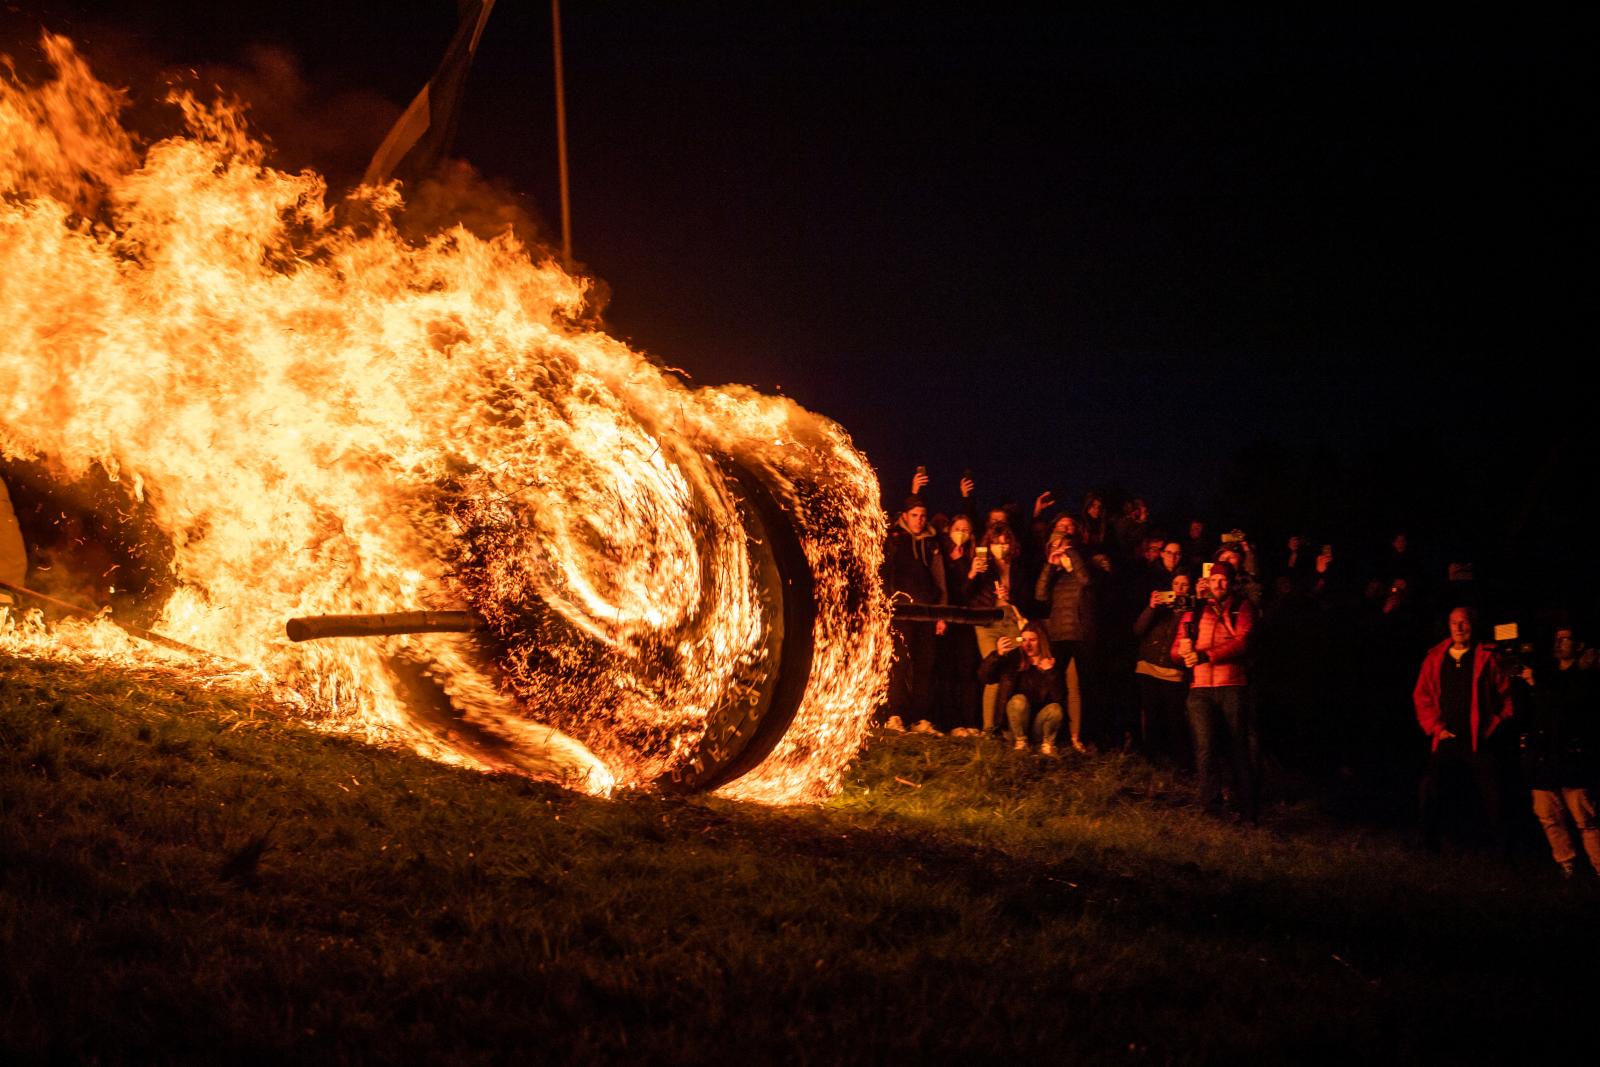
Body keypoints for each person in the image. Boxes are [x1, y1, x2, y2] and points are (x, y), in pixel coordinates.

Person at [1412, 606, 1513, 853]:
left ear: (1472, 625)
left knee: (1493, 796)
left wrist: (1493, 725)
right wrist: (1436, 728)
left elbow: (1508, 696)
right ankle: (1429, 844)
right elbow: (1422, 695)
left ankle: (1503, 849)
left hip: (1479, 740)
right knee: (1431, 789)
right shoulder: (1435, 658)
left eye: (1464, 622)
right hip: (1447, 739)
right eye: (1454, 623)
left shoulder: (1486, 657)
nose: (1458, 628)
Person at [1173, 560, 1261, 821]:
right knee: (1205, 748)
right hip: (1200, 688)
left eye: (1223, 580)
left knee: (1237, 746)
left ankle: (1247, 808)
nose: (1218, 584)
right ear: (1208, 582)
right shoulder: (1195, 610)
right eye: (1214, 580)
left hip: (1232, 685)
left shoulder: (1241, 607)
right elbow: (1176, 648)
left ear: (1230, 582)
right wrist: (1184, 655)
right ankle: (1210, 809)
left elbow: (1242, 642)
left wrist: (1206, 656)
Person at [1519, 627, 1600, 878]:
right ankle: (1566, 862)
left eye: (1566, 639)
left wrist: (1538, 683)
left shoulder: (1586, 676)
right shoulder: (1548, 673)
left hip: (1571, 756)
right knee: (1547, 814)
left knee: (1585, 816)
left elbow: (1571, 705)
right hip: (1544, 756)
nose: (1560, 643)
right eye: (1557, 638)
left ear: (1579, 645)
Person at [880, 495, 946, 731]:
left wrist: (941, 613)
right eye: (915, 515)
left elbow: (940, 580)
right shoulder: (894, 539)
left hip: (926, 612)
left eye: (923, 516)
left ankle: (921, 718)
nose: (919, 520)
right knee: (899, 662)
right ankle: (895, 714)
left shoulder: (931, 543)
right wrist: (887, 605)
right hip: (901, 612)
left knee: (924, 665)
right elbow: (885, 573)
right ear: (905, 516)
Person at [1035, 515, 1093, 752]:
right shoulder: (1054, 573)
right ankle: (1054, 736)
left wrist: (1073, 559)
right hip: (1057, 634)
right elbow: (1040, 595)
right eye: (1054, 546)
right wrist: (1050, 565)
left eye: (1062, 545)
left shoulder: (1083, 566)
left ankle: (1077, 736)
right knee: (1057, 685)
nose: (1058, 550)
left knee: (1078, 687)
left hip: (1080, 635)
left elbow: (1086, 581)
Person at [968, 523, 1027, 735]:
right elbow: (966, 593)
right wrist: (973, 573)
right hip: (987, 622)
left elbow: (1028, 598)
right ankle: (987, 728)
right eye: (996, 543)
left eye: (1004, 543)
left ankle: (1003, 726)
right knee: (992, 669)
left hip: (1010, 620)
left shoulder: (1018, 567)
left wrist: (1010, 596)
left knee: (1010, 672)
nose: (1000, 547)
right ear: (989, 544)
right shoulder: (984, 566)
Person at [977, 622, 1066, 755]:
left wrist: (1050, 673)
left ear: (1041, 641)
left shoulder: (1050, 663)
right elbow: (985, 678)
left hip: (1036, 726)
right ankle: (1020, 743)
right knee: (1019, 700)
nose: (1027, 644)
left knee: (1055, 709)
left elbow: (1058, 699)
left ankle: (1047, 746)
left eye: (1032, 640)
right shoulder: (1014, 658)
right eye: (1024, 640)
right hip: (1014, 727)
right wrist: (998, 655)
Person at [1134, 571, 1193, 764]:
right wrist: (1151, 608)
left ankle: (1177, 761)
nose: (1179, 588)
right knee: (1151, 716)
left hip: (1173, 671)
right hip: (1148, 667)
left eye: (1184, 584)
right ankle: (1150, 759)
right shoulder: (1159, 608)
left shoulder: (1191, 611)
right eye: (1176, 583)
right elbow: (1138, 630)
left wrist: (1182, 611)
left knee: (1174, 718)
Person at [931, 514, 981, 733]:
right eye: (957, 528)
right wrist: (967, 573)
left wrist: (974, 573)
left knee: (967, 671)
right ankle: (951, 722)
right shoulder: (942, 553)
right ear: (949, 530)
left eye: (966, 530)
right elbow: (947, 589)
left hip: (966, 621)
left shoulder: (973, 557)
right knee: (948, 672)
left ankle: (969, 721)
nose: (961, 533)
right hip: (948, 619)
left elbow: (971, 594)